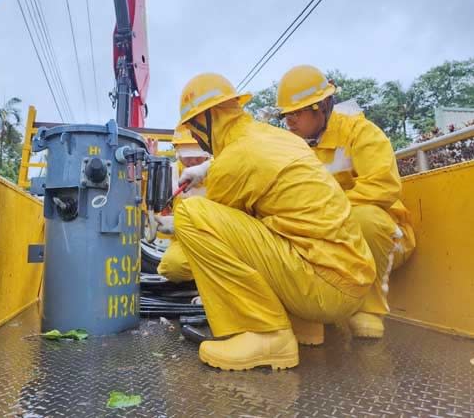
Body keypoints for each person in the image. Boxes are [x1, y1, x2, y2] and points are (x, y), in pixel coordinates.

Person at [156, 73, 376, 371]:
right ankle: (306, 326)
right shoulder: (275, 137)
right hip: (352, 278)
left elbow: (203, 245)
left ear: (207, 120)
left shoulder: (233, 161)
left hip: (324, 287)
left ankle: (264, 333)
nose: (195, 138)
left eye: (194, 129)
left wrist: (173, 232)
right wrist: (208, 168)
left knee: (192, 215)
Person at [277, 65, 416, 339]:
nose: (290, 121)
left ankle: (369, 310)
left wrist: (327, 212)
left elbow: (384, 185)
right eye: (285, 115)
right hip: (329, 237)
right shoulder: (294, 147)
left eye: (297, 112)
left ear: (323, 105)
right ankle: (315, 309)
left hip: (384, 236)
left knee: (365, 218)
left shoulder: (360, 132)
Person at [155, 126, 211, 283]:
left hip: (218, 239)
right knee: (172, 267)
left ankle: (212, 281)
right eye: (188, 156)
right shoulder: (168, 175)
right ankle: (203, 277)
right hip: (185, 241)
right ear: (177, 151)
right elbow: (158, 214)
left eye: (198, 156)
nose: (193, 161)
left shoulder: (219, 171)